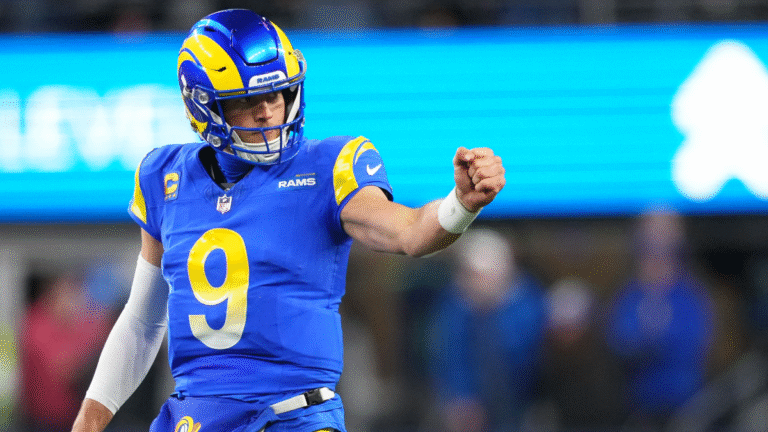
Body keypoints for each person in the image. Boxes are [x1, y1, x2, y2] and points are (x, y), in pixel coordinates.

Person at [71, 8, 505, 432]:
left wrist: (460, 204)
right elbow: (143, 320)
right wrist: (87, 424)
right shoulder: (163, 176)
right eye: (247, 101)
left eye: (276, 95)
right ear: (203, 106)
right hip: (196, 416)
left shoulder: (328, 166)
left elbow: (409, 232)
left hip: (293, 415)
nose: (267, 112)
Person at [425, 228, 546, 432]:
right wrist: (462, 397)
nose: (472, 282)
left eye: (480, 276)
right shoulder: (453, 305)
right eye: (468, 274)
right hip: (474, 408)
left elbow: (528, 358)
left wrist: (490, 315)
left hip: (524, 401)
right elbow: (448, 356)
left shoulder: (529, 303)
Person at [605, 210, 715, 431]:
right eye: (648, 252)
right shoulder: (629, 296)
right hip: (639, 409)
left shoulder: (690, 296)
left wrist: (655, 342)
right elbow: (618, 340)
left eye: (664, 252)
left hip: (686, 408)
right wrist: (645, 344)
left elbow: (696, 344)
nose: (656, 260)